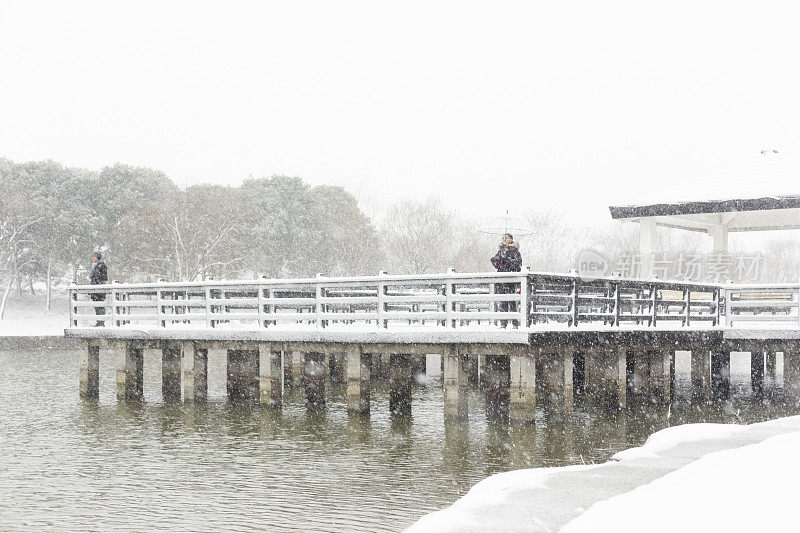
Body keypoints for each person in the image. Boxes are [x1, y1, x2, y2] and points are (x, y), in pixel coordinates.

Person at [490, 233, 522, 327]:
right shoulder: (500, 251)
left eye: (506, 238)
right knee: (503, 302)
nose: (504, 239)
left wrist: (507, 259)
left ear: (511, 240)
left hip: (511, 281)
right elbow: (496, 264)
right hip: (501, 280)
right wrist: (496, 259)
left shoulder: (515, 251)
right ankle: (503, 323)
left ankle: (515, 323)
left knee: (512, 302)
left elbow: (517, 265)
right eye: (503, 238)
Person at [90, 251, 108, 326]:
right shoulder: (95, 266)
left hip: (99, 289)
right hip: (95, 289)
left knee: (100, 305)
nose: (93, 258)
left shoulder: (102, 266)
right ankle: (99, 321)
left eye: (94, 256)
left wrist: (99, 285)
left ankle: (101, 322)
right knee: (96, 305)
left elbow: (104, 278)